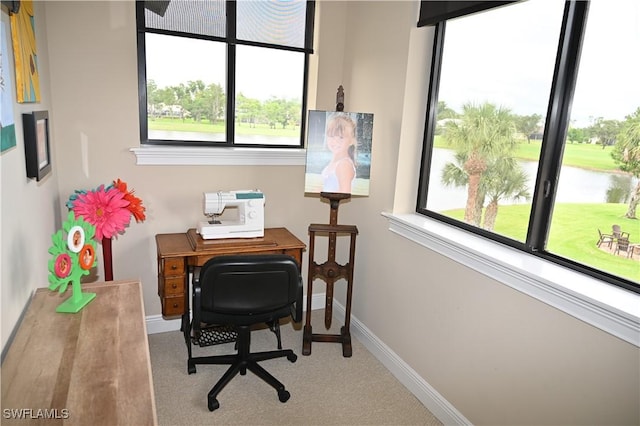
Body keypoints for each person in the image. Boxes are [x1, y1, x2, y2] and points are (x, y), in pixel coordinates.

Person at [321, 113, 357, 193]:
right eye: (332, 136)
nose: (335, 141)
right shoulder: (335, 162)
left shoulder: (344, 165)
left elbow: (344, 192)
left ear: (351, 140)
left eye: (341, 137)